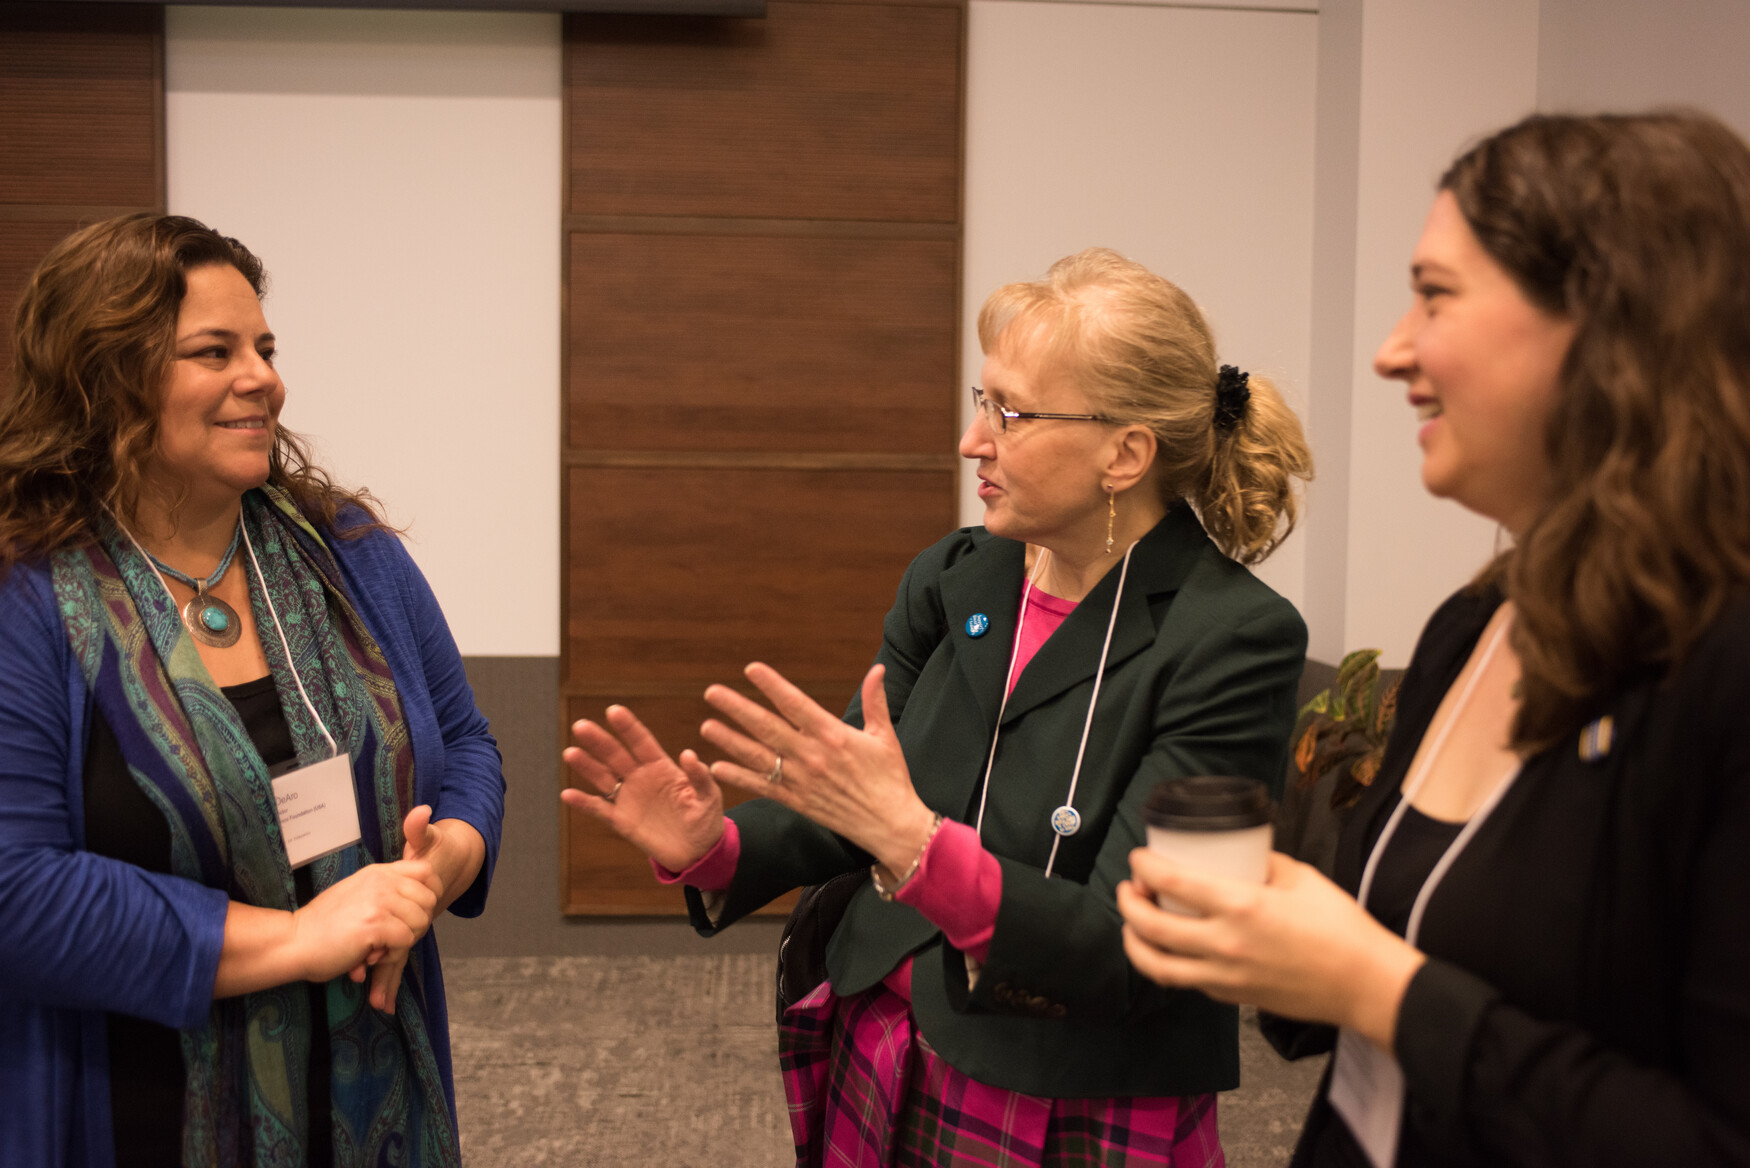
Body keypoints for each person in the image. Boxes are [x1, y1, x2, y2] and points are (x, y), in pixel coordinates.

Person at [563, 247, 1314, 1166]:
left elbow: (1153, 948)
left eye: (1013, 413)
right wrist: (714, 850)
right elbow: (854, 805)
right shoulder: (957, 576)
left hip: (1068, 1079)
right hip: (884, 1034)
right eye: (980, 398)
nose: (973, 440)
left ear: (1125, 454)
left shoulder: (1236, 638)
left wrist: (917, 845)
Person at [1117, 111, 1750, 1167]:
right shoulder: (1472, 628)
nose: (1388, 349)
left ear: (1608, 323)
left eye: (1436, 295)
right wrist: (1282, 943)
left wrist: (1376, 986)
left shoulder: (1722, 676)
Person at [0, 214, 506, 1168]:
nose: (263, 378)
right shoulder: (30, 593)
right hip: (137, 1100)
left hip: (376, 1088)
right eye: (214, 351)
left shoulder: (343, 551)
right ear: (102, 378)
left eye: (265, 348)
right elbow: (16, 892)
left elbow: (469, 746)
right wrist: (300, 939)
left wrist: (431, 875)